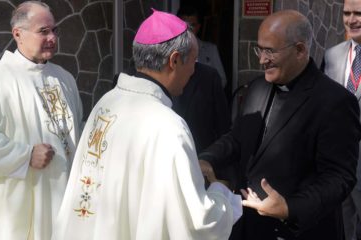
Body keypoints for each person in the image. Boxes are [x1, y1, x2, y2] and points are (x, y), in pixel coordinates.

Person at [52, 9, 241, 240]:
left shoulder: (106, 103)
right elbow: (198, 222)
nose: (194, 70)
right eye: (193, 61)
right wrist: (223, 194)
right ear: (174, 60)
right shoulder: (168, 126)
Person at [199, 10, 361, 240]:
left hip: (300, 231)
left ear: (300, 50)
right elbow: (237, 137)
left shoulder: (335, 101)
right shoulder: (257, 87)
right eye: (260, 49)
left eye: (270, 51)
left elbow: (339, 177)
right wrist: (207, 158)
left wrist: (290, 208)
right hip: (247, 227)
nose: (261, 59)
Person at [0, 1, 83, 239]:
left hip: (64, 197)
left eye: (54, 30)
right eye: (43, 31)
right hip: (18, 202)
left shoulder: (65, 79)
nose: (52, 38)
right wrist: (25, 155)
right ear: (18, 34)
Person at [322, 0, 361, 239]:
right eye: (347, 13)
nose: (351, 19)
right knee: (343, 225)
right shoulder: (332, 55)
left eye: (358, 13)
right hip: (339, 162)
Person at [177, 5, 227, 88]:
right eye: (184, 25)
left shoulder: (211, 50)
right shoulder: (170, 50)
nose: (188, 30)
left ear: (198, 27)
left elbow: (222, 80)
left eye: (192, 25)